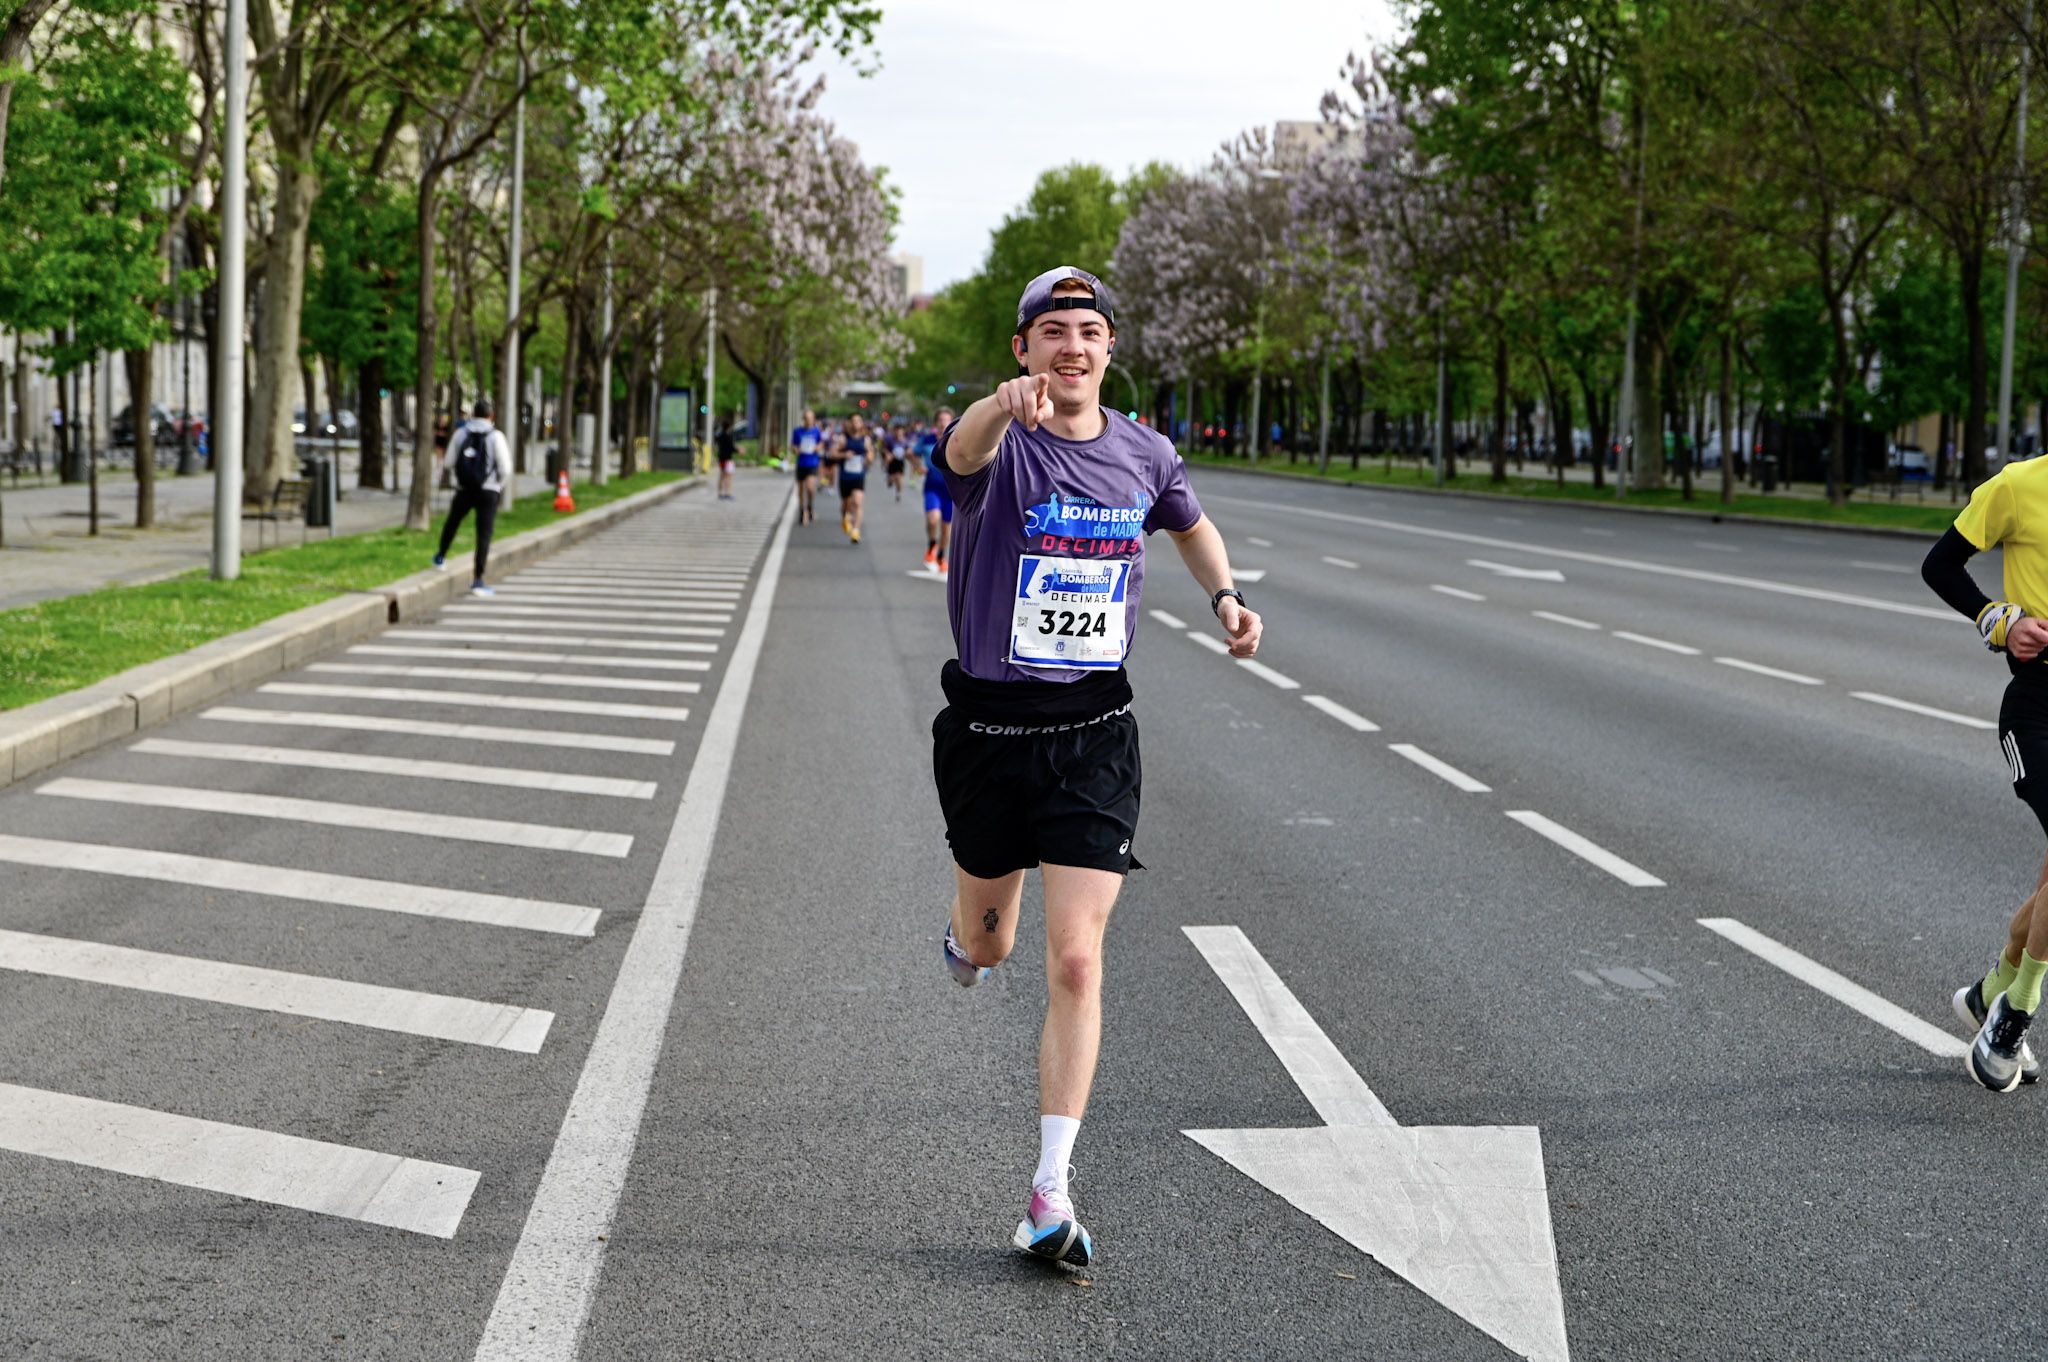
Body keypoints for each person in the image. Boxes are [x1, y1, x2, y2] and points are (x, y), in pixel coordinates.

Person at [930, 267, 1262, 1267]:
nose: (1071, 347)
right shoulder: (1000, 444)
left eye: (1089, 332)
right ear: (1023, 350)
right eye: (1051, 333)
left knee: (1075, 958)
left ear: (1109, 349)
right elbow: (955, 455)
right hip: (988, 732)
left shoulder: (1144, 452)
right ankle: (967, 938)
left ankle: (1046, 1192)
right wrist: (996, 408)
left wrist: (1226, 599)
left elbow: (1189, 523)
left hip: (1092, 733)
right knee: (989, 948)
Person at [1924, 466, 2048, 1090]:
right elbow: (1940, 565)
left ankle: (1991, 991)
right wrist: (2000, 621)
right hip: (2040, 706)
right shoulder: (2020, 486)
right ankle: (2015, 1013)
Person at [432, 397, 513, 597]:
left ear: (473, 414)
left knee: (453, 522)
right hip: (489, 491)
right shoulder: (496, 436)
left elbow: (449, 462)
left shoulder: (461, 433)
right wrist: (497, 486)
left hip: (464, 489)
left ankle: (441, 556)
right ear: (491, 415)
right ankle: (478, 579)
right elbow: (506, 468)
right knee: (483, 534)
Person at [921, 407, 956, 573]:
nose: (943, 423)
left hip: (951, 489)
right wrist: (918, 465)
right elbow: (911, 452)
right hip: (932, 486)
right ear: (936, 423)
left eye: (946, 420)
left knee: (946, 527)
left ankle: (941, 556)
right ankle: (931, 546)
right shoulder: (927, 439)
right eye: (940, 420)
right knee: (933, 519)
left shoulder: (957, 440)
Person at [839, 412, 871, 544]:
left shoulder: (866, 439)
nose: (856, 423)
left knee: (857, 502)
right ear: (849, 423)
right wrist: (844, 455)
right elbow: (833, 453)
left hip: (859, 475)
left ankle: (856, 530)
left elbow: (870, 455)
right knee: (846, 504)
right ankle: (845, 517)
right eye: (853, 421)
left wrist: (868, 459)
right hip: (845, 476)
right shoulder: (843, 439)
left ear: (862, 423)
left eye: (859, 421)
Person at [791, 409, 823, 524]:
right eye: (806, 418)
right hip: (801, 463)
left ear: (814, 419)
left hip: (812, 463)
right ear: (804, 419)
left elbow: (821, 443)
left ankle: (810, 507)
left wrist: (818, 447)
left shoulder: (816, 431)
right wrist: (795, 450)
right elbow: (793, 445)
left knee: (810, 487)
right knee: (801, 489)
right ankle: (802, 512)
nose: (809, 420)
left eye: (811, 418)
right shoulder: (797, 431)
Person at [715, 414, 739, 501]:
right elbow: (731, 448)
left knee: (721, 476)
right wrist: (739, 451)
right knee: (728, 476)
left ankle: (720, 493)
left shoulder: (719, 436)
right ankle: (727, 493)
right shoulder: (728, 437)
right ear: (729, 427)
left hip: (721, 458)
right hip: (728, 459)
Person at [885, 424, 908, 501]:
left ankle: (898, 493)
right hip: (892, 462)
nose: (899, 434)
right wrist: (888, 455)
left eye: (901, 432)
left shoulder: (905, 441)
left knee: (899, 478)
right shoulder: (890, 440)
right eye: (897, 432)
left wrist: (906, 453)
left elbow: (908, 450)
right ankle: (890, 480)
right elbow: (885, 449)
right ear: (895, 432)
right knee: (892, 478)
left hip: (900, 462)